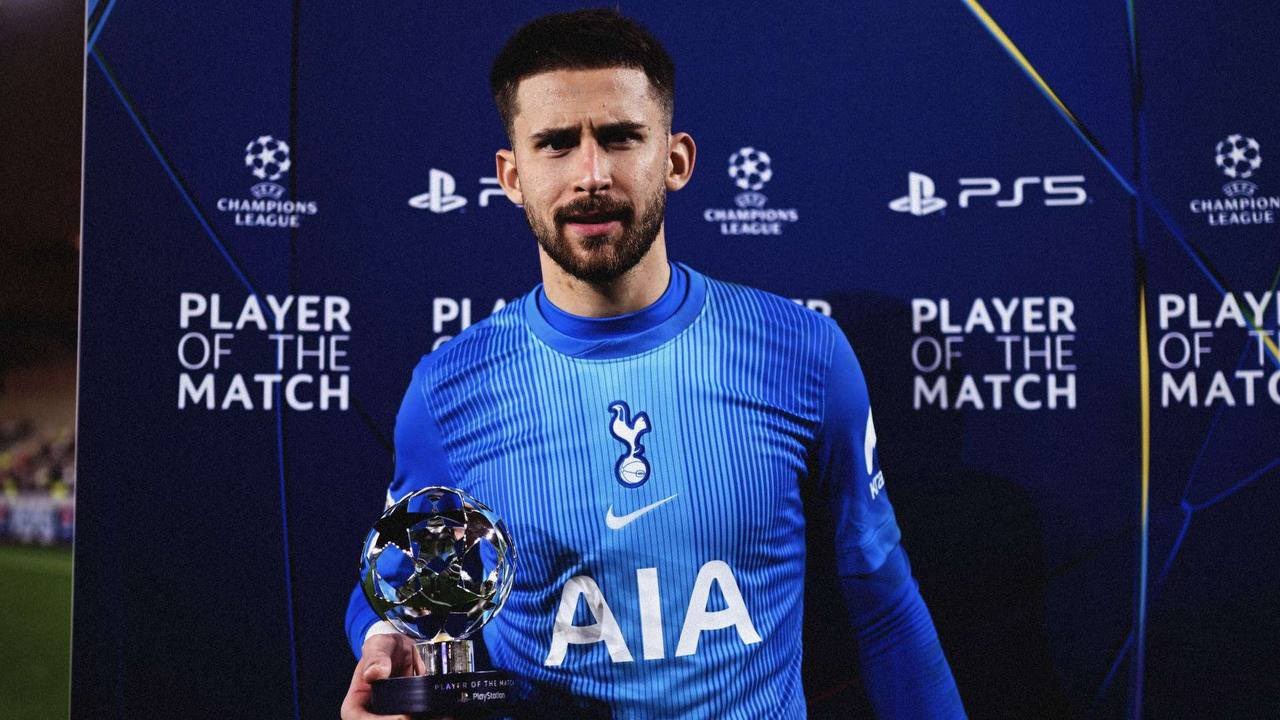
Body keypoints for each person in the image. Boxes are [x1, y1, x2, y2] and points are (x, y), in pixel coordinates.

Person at [342, 9, 964, 719]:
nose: (591, 175)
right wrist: (388, 641)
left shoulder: (802, 353)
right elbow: (397, 586)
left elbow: (886, 610)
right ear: (511, 176)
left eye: (619, 137)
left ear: (675, 160)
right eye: (556, 144)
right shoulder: (449, 391)